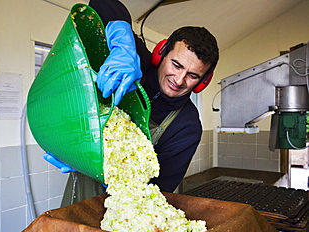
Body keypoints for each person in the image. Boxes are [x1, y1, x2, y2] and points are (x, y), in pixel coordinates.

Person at [45, 0, 219, 205]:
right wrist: (123, 47)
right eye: (176, 65)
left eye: (193, 75)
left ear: (203, 81)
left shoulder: (187, 125)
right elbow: (103, 3)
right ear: (161, 53)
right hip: (83, 189)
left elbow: (158, 190)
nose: (179, 80)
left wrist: (102, 168)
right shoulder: (137, 61)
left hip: (128, 209)